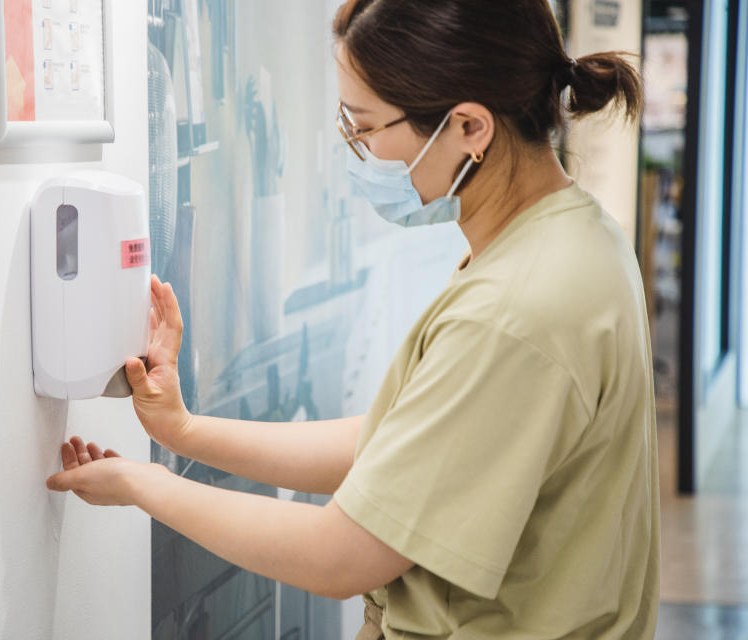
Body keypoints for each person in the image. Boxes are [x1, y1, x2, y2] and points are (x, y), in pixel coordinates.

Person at [46, 0, 660, 637]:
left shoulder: (517, 309)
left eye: (364, 128)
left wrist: (144, 487)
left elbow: (341, 556)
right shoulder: (569, 235)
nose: (358, 151)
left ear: (470, 128)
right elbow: (400, 444)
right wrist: (184, 431)